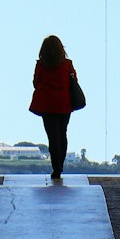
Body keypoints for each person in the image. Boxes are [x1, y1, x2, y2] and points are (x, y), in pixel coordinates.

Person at [29, 35, 78, 181]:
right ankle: (60, 165)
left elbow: (36, 83)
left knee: (53, 137)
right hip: (64, 104)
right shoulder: (67, 64)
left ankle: (56, 167)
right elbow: (74, 81)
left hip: (47, 105)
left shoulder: (41, 65)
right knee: (63, 134)